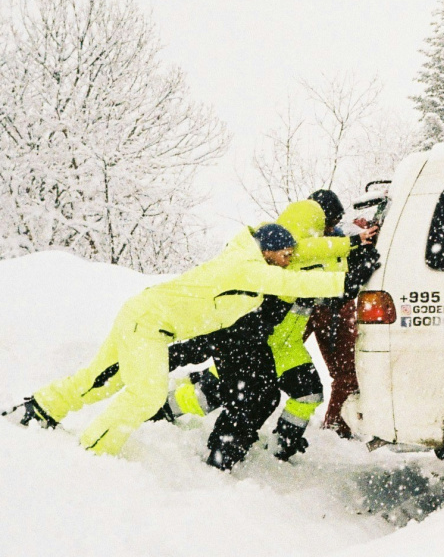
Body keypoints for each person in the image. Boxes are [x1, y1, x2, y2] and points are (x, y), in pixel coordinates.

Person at [4, 224, 346, 457]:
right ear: (268, 251)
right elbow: (294, 285)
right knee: (146, 394)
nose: (289, 261)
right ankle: (94, 453)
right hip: (148, 324)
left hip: (143, 314)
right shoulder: (245, 267)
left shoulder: (245, 260)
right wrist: (345, 279)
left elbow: (293, 263)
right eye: (285, 254)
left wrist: (348, 246)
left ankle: (39, 409)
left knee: (103, 379)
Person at [157, 190, 379, 467]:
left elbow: (328, 259)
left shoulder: (307, 251)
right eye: (329, 222)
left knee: (306, 393)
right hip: (256, 344)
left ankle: (281, 448)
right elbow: (320, 278)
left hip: (287, 344)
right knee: (222, 394)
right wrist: (354, 269)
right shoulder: (282, 255)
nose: (332, 228)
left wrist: (359, 246)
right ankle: (165, 410)